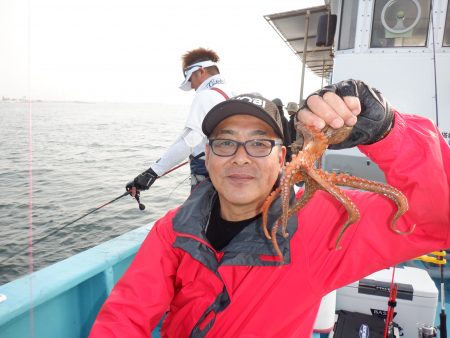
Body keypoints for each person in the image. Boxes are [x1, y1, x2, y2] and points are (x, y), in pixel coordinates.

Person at [90, 80, 450, 337]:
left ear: (282, 157)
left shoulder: (323, 227)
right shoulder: (172, 230)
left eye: (259, 143)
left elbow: (438, 220)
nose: (241, 158)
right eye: (226, 143)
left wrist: (390, 132)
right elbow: (126, 315)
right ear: (208, 156)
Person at [126, 47, 234, 193]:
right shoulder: (231, 93)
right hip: (227, 169)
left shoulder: (206, 96)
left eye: (191, 79)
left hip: (208, 172)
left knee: (199, 214)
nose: (193, 86)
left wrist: (152, 173)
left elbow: (190, 141)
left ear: (201, 71)